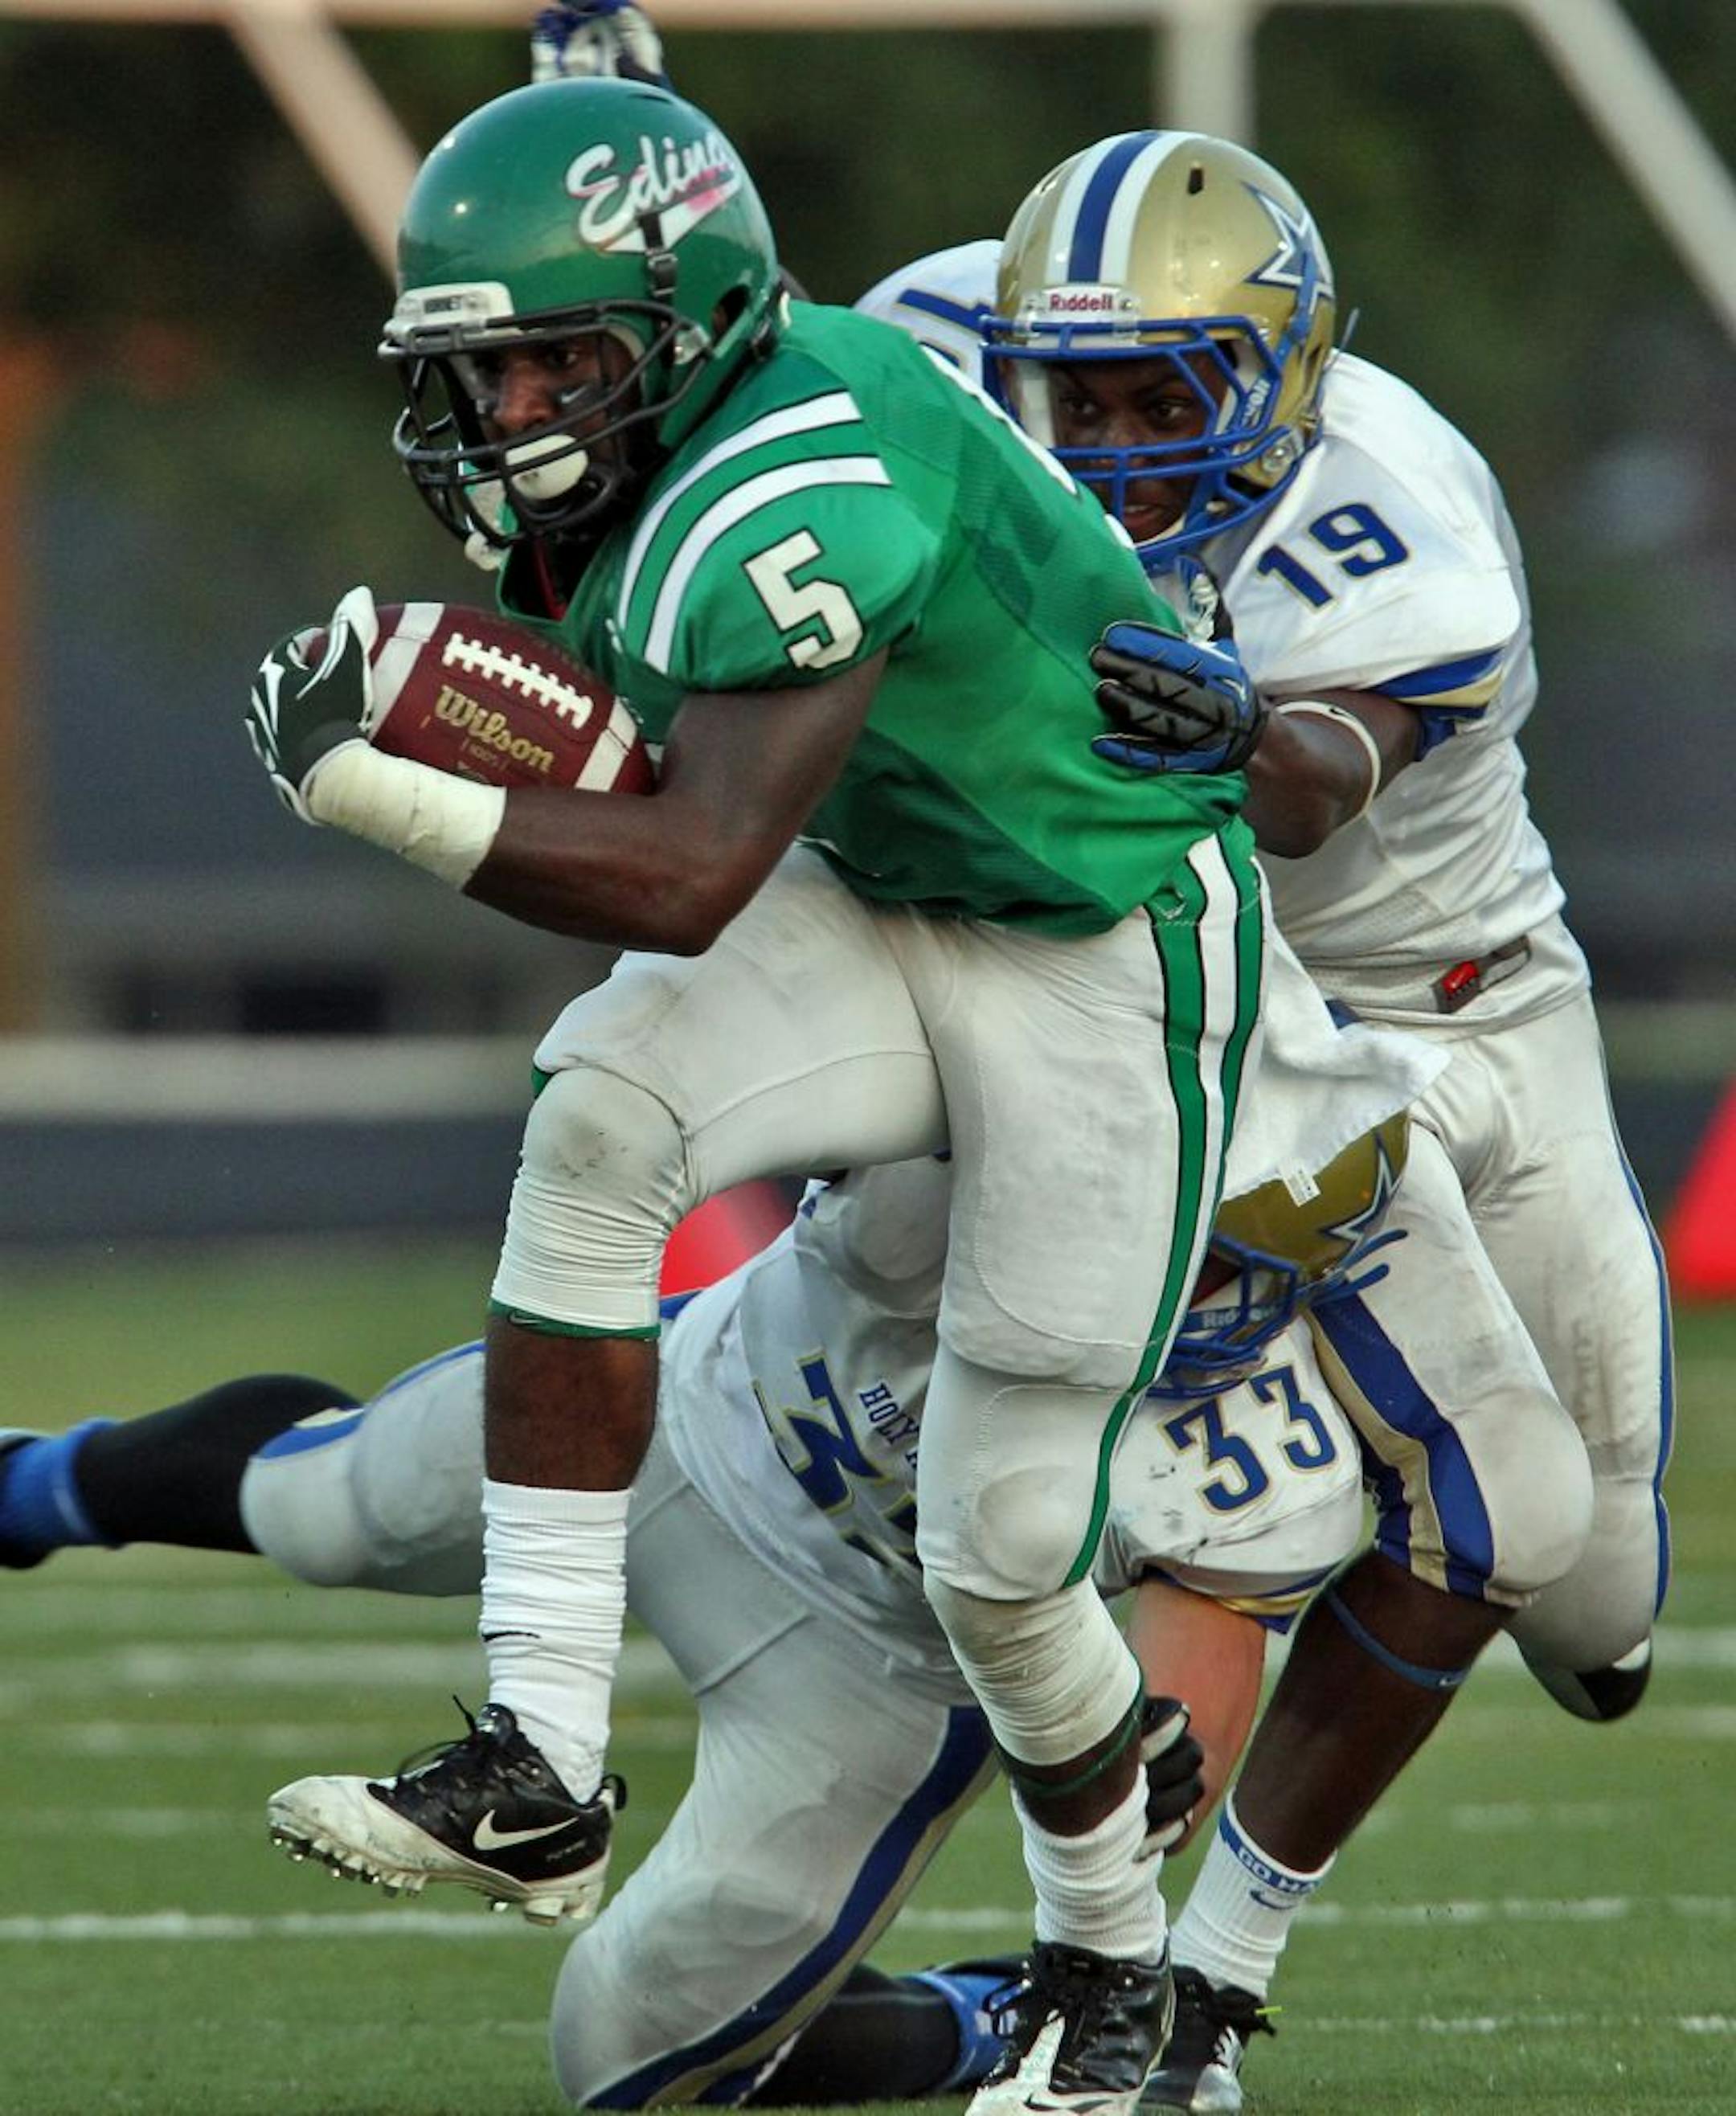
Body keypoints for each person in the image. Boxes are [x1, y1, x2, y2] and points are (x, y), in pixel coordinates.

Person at [238, 68, 1448, 2116]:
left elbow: (691, 871)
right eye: (486, 369)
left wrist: (385, 783)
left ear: (678, 332)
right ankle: (538, 1755)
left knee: (998, 1547)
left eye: (553, 363)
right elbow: (671, 796)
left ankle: (1107, 1962)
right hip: (900, 884)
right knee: (601, 1121)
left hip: (1108, 945)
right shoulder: (691, 441)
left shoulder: (797, 484)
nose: (515, 411)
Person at [857, 128, 1673, 2111]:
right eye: (1082, 394)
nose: (1116, 440)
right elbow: (751, 388)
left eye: (1166, 397)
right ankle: (1171, 1983)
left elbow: (1313, 780)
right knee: (1272, 1485)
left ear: (1281, 379)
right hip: (1192, 1029)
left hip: (1459, 1017)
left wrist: (1223, 713)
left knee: (1597, 1609)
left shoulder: (1404, 518)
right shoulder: (934, 347)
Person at [2, 1119, 1407, 2109]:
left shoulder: (1265, 1454)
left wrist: (1137, 1750)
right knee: (330, 1504)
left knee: (624, 2049)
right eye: (1193, 1242)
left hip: (870, 1669)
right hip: (693, 1403)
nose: (1196, 1287)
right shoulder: (994, 1120)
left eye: (1240, 1266)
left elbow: (1175, 1745)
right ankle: (32, 1484)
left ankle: (982, 2017)